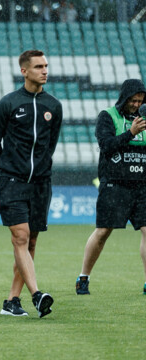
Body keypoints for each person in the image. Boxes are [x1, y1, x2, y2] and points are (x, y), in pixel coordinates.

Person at [0, 50, 63, 318]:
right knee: (20, 236)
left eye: (46, 66)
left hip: (41, 184)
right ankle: (37, 295)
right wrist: (10, 167)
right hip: (12, 183)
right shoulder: (8, 104)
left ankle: (11, 301)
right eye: (39, 67)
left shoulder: (54, 106)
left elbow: (49, 146)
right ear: (24, 71)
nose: (44, 71)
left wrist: (38, 169)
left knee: (30, 243)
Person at [75, 79, 146, 295]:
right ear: (124, 98)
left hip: (142, 185)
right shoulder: (107, 116)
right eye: (133, 100)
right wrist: (131, 133)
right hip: (115, 185)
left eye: (140, 101)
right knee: (103, 232)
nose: (136, 104)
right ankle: (84, 277)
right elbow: (106, 146)